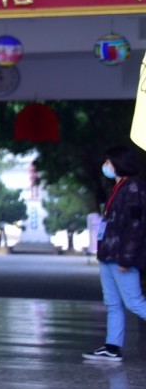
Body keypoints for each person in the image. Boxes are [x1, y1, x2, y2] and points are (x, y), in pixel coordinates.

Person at [82, 145, 146, 362]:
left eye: (108, 161)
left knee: (134, 302)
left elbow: (136, 225)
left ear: (119, 162)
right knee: (112, 303)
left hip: (121, 255)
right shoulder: (119, 187)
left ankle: (112, 346)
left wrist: (127, 257)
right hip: (108, 253)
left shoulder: (134, 188)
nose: (106, 166)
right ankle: (112, 347)